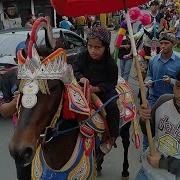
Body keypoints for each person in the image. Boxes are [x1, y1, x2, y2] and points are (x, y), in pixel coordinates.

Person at [73, 26, 120, 144]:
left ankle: (113, 135)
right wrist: (81, 78)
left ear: (105, 47)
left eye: (98, 47)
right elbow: (75, 70)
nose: (93, 50)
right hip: (82, 89)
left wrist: (97, 88)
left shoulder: (111, 63)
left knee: (112, 106)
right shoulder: (81, 57)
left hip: (103, 91)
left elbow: (112, 82)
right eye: (90, 46)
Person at [135, 69, 180, 180]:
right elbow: (148, 131)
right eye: (179, 86)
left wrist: (162, 163)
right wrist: (144, 119)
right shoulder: (163, 101)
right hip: (145, 172)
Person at [141, 31, 180, 151]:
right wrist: (148, 81)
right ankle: (146, 151)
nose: (163, 46)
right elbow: (149, 75)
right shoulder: (153, 60)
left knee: (168, 130)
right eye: (161, 43)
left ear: (173, 44)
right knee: (147, 126)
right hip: (153, 99)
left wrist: (172, 81)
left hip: (172, 102)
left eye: (166, 43)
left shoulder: (179, 61)